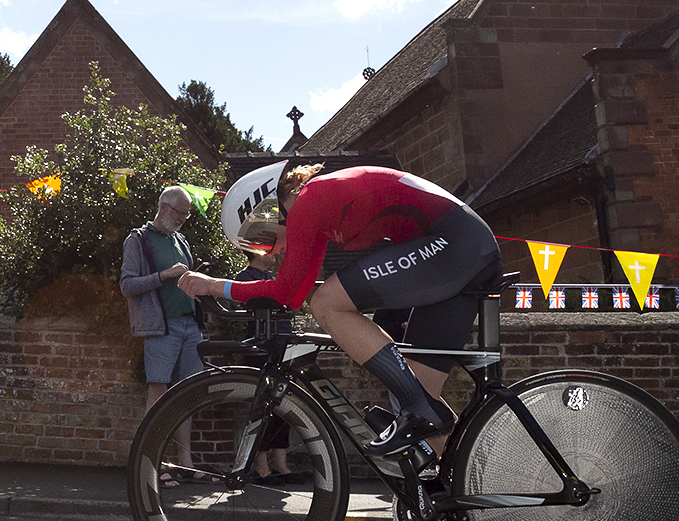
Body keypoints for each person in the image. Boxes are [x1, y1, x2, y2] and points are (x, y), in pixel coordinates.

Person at [180, 163, 504, 472]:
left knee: (327, 303)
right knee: (423, 389)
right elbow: (293, 296)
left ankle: (416, 408)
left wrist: (215, 286)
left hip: (455, 244)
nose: (271, 253)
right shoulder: (317, 211)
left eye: (261, 244)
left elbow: (289, 291)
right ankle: (465, 486)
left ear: (267, 215)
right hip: (463, 249)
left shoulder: (309, 201)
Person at [121, 185, 203, 488]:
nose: (183, 219)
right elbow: (127, 285)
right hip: (160, 327)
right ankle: (154, 464)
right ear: (164, 207)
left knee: (188, 394)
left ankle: (186, 464)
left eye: (186, 214)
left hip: (189, 324)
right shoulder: (138, 240)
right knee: (158, 395)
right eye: (180, 212)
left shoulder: (180, 239)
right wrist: (164, 276)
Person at [233, 221, 303, 485]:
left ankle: (281, 464)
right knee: (261, 406)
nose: (276, 253)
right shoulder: (244, 278)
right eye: (272, 249)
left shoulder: (275, 278)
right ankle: (261, 466)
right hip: (260, 347)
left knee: (282, 403)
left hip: (282, 344)